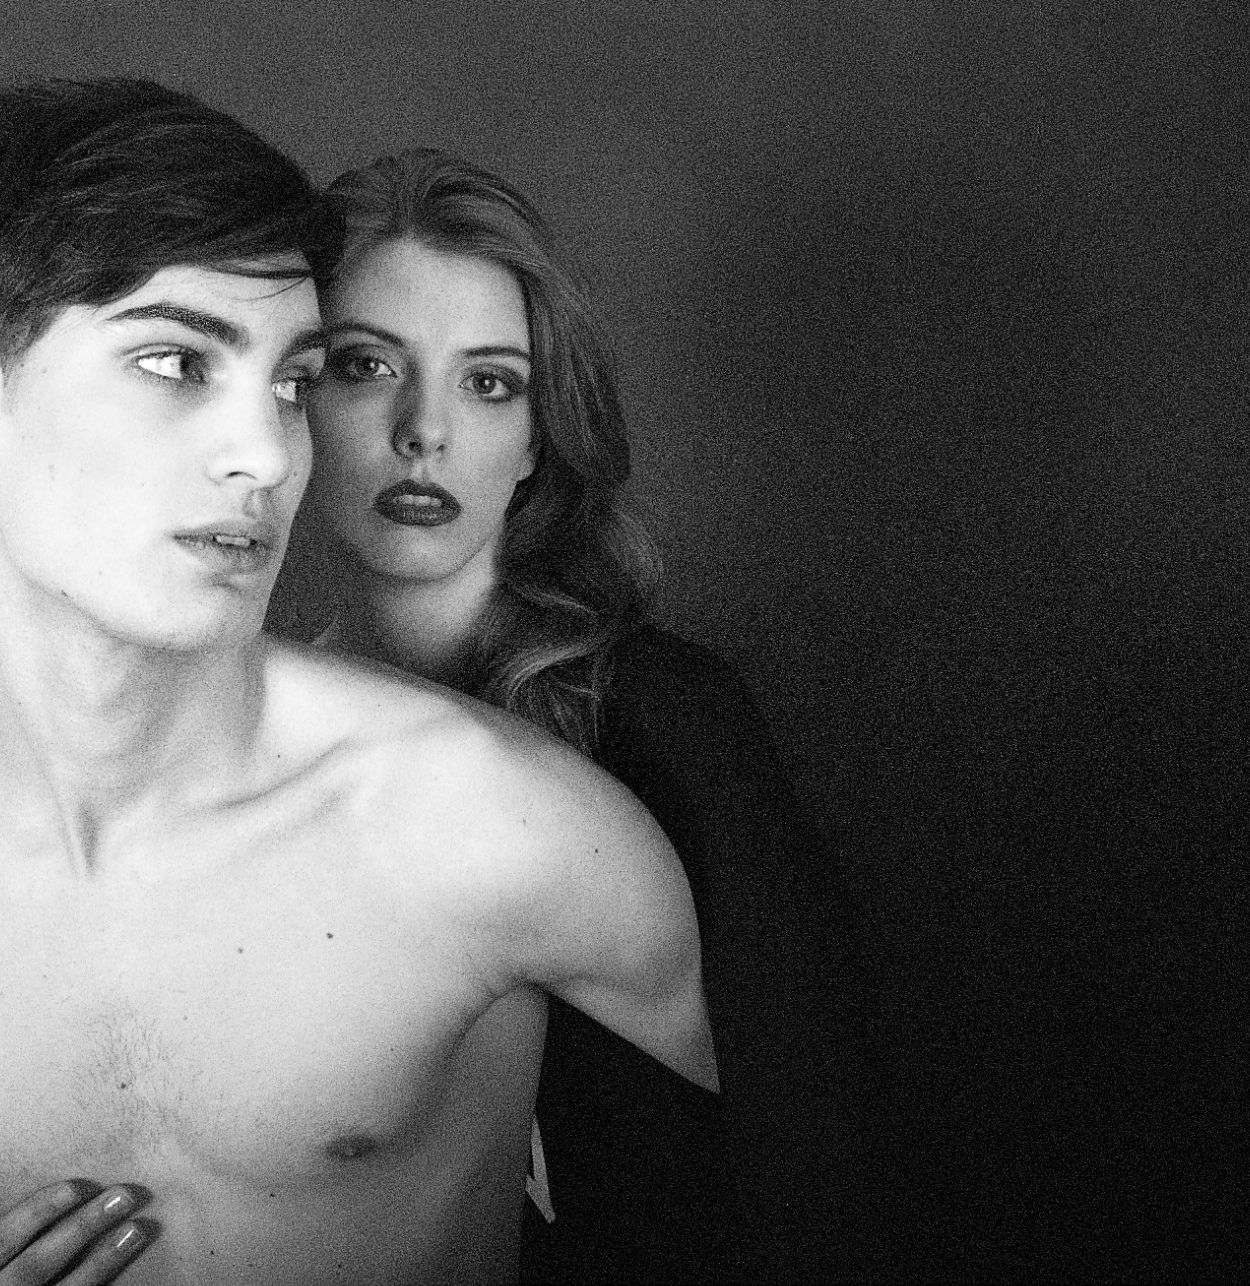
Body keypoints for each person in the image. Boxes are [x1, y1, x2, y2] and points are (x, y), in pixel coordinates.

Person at [0, 80, 716, 1286]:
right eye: (176, 360)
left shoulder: (497, 824)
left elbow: (837, 1185)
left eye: (292, 381)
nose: (267, 452)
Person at [309, 150, 888, 1282]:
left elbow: (822, 1174)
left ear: (537, 437)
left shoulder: (667, 727)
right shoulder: (251, 732)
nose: (425, 429)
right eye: (367, 365)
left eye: (489, 383)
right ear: (293, 394)